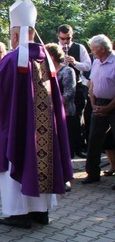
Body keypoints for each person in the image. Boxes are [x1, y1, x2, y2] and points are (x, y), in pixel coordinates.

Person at [0, 0, 72, 228]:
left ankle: (19, 212)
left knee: (19, 157)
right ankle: (40, 211)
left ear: (15, 36)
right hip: (42, 130)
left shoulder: (13, 59)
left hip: (18, 126)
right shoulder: (46, 59)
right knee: (42, 159)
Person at [81, 34, 115, 186]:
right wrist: (93, 104)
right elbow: (92, 84)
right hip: (98, 103)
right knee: (93, 139)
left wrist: (108, 107)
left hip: (113, 105)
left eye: (93, 49)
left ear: (101, 49)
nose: (92, 51)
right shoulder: (96, 62)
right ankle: (92, 173)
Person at [58, 24, 91, 158]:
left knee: (77, 117)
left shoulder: (79, 48)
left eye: (68, 39)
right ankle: (65, 146)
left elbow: (88, 66)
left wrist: (75, 63)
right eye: (62, 39)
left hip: (78, 86)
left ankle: (79, 147)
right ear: (58, 36)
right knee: (62, 117)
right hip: (61, 86)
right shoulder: (54, 48)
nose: (65, 42)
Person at [47, 43, 76, 184]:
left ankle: (66, 177)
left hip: (65, 114)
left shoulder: (67, 71)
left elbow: (69, 93)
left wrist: (54, 106)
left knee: (65, 145)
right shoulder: (45, 72)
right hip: (49, 114)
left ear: (51, 57)